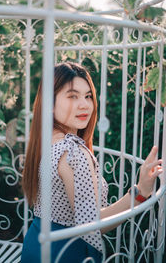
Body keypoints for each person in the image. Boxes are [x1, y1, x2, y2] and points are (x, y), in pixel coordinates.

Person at [21, 62, 162, 263]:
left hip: (36, 246)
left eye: (88, 96)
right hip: (65, 252)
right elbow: (92, 225)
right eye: (72, 96)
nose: (84, 105)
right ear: (49, 104)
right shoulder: (73, 151)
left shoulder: (45, 140)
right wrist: (140, 192)